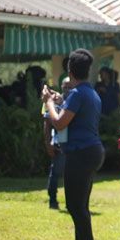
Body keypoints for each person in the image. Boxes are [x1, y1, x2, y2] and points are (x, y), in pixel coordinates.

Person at [42, 48, 104, 240]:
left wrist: (49, 101)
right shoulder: (89, 92)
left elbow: (59, 122)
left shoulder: (78, 94)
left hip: (81, 153)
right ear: (88, 70)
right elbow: (71, 112)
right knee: (81, 205)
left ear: (70, 70)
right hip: (92, 151)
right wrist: (60, 99)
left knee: (75, 206)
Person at [43, 78, 72, 210]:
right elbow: (47, 125)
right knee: (55, 173)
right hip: (59, 145)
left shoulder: (75, 103)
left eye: (69, 87)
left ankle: (71, 202)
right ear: (61, 87)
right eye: (65, 87)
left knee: (72, 176)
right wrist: (48, 143)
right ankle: (52, 200)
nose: (67, 90)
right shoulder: (54, 103)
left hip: (73, 146)